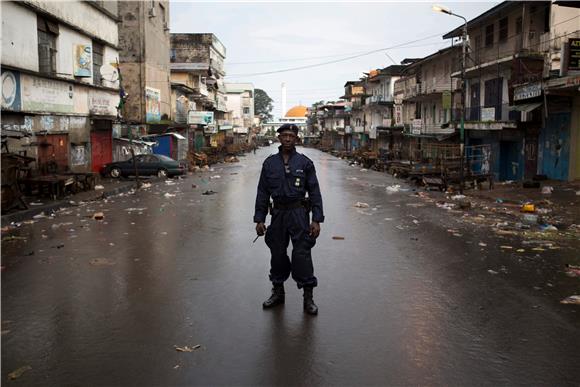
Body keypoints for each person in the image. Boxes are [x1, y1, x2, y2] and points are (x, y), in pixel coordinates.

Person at [254, 123, 324, 315]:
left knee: (301, 254)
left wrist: (316, 219)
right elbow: (262, 192)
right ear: (279, 138)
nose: (287, 139)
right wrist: (259, 219)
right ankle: (278, 292)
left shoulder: (305, 163)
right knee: (277, 254)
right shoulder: (269, 164)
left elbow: (315, 192)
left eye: (291, 136)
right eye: (284, 135)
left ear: (296, 139)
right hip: (277, 215)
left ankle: (308, 297)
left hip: (299, 213)